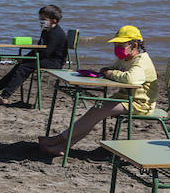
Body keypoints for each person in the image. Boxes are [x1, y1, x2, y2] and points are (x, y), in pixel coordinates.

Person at [38, 25, 157, 157]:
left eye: (120, 45)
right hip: (124, 98)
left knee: (97, 111)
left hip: (140, 104)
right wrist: (108, 71)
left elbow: (131, 80)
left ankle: (60, 139)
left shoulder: (141, 61)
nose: (117, 48)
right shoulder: (125, 58)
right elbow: (111, 68)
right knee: (95, 112)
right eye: (116, 45)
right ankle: (63, 146)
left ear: (134, 46)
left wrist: (110, 73)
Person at [0, 4, 68, 105]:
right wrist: (24, 58)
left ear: (54, 20)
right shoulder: (46, 31)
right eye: (40, 19)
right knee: (20, 65)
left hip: (54, 62)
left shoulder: (56, 33)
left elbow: (45, 53)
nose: (41, 21)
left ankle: (5, 96)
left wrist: (28, 60)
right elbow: (38, 49)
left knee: (23, 68)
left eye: (44, 19)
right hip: (45, 59)